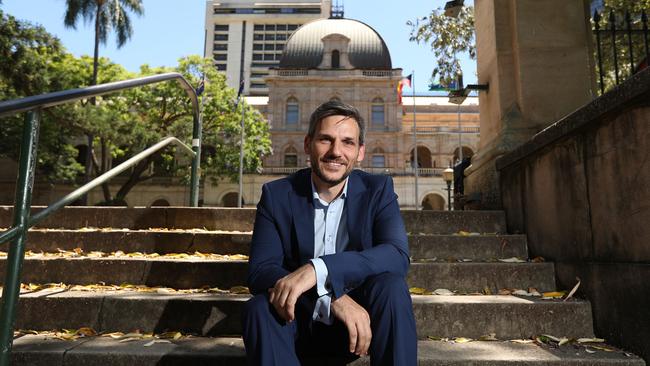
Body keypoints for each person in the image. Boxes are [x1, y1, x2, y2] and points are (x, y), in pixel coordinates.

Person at [242, 100, 417, 365]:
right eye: (326, 139)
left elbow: (396, 255)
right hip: (294, 323)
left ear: (360, 152)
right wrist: (330, 296)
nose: (336, 151)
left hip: (358, 329)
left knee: (392, 288)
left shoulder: (378, 190)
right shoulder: (277, 194)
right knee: (259, 308)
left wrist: (319, 269)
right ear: (307, 145)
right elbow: (260, 270)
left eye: (347, 142)